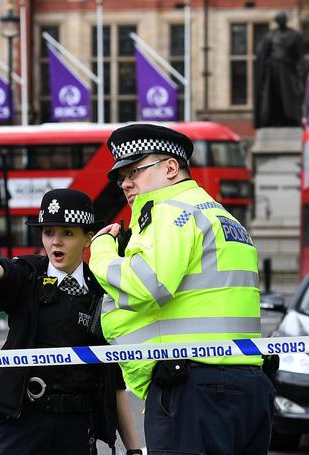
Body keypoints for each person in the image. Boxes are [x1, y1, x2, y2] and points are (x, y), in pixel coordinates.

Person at [90, 124, 274, 454]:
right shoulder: (221, 216)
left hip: (193, 388)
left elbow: (146, 284)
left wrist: (101, 251)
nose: (126, 183)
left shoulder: (169, 211)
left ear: (171, 168)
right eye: (121, 178)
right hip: (246, 384)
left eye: (134, 171)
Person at [0, 188, 141, 455]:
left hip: (77, 429)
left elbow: (114, 381)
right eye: (48, 232)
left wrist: (134, 450)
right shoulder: (29, 274)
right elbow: (2, 275)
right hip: (22, 424)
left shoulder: (101, 290)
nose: (56, 242)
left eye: (67, 233)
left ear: (88, 238)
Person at [254, 11, 303, 128]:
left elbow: (300, 56)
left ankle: (290, 117)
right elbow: (263, 56)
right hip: (273, 71)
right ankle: (274, 118)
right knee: (274, 95)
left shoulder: (294, 35)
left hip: (288, 70)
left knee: (289, 95)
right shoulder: (269, 36)